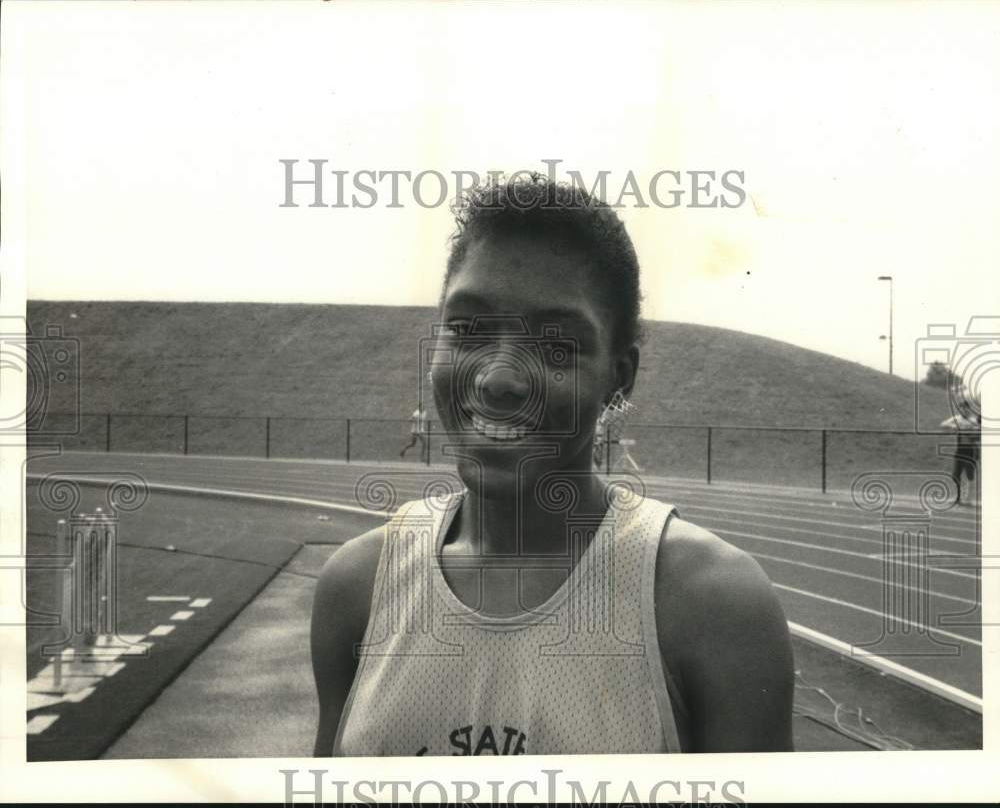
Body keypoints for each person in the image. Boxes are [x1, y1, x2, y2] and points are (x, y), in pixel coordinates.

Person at [311, 175, 794, 756]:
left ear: (620, 375)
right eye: (467, 331)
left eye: (555, 348)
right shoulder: (358, 590)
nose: (499, 379)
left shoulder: (714, 607)